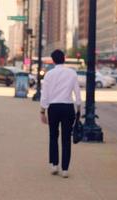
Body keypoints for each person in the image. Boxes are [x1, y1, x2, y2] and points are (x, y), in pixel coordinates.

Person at [40, 49, 81, 178]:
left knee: (53, 136)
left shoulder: (49, 74)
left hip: (53, 108)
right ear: (65, 58)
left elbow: (44, 95)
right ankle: (65, 169)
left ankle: (54, 165)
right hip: (68, 107)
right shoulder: (72, 73)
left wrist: (42, 111)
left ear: (53, 60)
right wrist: (78, 109)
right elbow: (78, 95)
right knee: (66, 138)